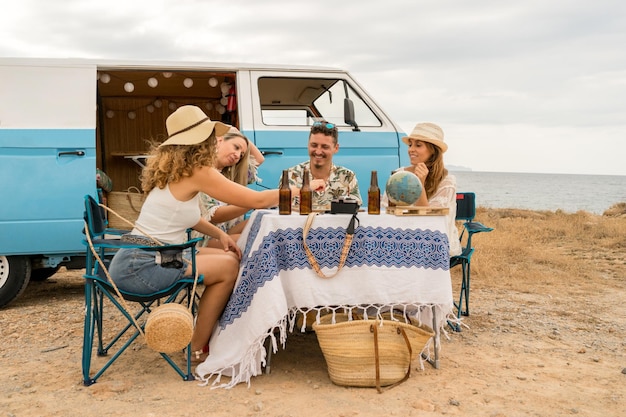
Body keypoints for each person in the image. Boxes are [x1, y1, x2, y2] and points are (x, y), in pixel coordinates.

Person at [108, 105, 283, 361]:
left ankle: (213, 333)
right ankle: (198, 347)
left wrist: (220, 235)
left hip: (137, 259)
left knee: (231, 258)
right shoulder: (198, 172)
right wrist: (301, 191)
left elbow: (190, 218)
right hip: (143, 265)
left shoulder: (173, 172)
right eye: (212, 135)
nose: (215, 140)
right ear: (203, 140)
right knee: (229, 269)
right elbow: (256, 200)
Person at [383, 122, 461, 256]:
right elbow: (384, 208)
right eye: (410, 144)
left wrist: (420, 183)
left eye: (418, 145)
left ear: (433, 150)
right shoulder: (400, 174)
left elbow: (431, 223)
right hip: (401, 234)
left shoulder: (446, 181)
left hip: (432, 242)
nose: (411, 149)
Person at [196, 127, 265, 246]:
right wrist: (255, 202)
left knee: (263, 223)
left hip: (226, 232)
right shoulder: (203, 172)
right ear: (219, 141)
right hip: (206, 237)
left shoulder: (229, 175)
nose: (238, 155)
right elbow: (215, 216)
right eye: (236, 147)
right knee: (256, 240)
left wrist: (240, 136)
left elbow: (259, 159)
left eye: (242, 154)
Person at [280, 120, 362, 210]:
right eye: (314, 145)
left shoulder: (347, 177)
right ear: (308, 145)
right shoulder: (290, 176)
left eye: (325, 147)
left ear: (336, 148)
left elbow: (356, 213)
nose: (318, 152)